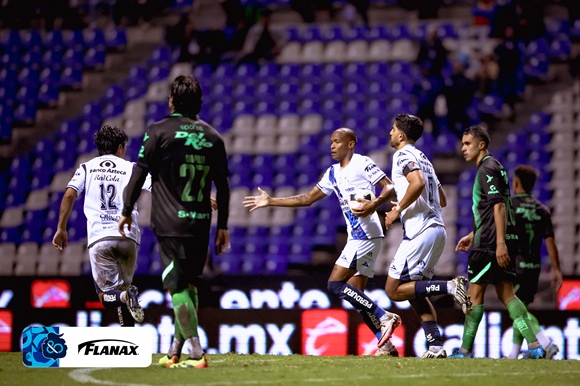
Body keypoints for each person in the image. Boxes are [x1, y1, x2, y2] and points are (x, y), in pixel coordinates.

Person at [243, 128, 402, 355]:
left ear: (351, 143)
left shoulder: (362, 163)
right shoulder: (332, 173)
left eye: (337, 141)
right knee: (357, 294)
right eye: (331, 142)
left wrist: (373, 204)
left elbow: (389, 187)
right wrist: (271, 201)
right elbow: (307, 199)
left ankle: (384, 316)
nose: (332, 146)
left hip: (365, 234)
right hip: (361, 235)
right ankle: (385, 344)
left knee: (334, 285)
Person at [118, 75, 231, 369]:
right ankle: (175, 352)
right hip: (201, 223)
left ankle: (196, 353)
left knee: (177, 288)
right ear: (200, 102)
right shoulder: (213, 136)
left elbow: (139, 173)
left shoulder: (157, 132)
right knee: (190, 286)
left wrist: (127, 209)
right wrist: (223, 226)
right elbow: (225, 187)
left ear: (171, 100)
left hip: (170, 225)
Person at [449, 125, 545, 359]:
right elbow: (493, 208)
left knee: (474, 296)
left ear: (481, 145)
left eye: (467, 144)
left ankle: (464, 351)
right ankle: (535, 346)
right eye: (462, 144)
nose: (463, 148)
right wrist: (473, 235)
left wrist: (498, 243)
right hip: (496, 239)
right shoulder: (497, 167)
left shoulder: (486, 169)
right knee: (507, 295)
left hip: (491, 243)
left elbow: (499, 206)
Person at [383, 114, 471, 359]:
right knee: (415, 293)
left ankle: (451, 286)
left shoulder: (403, 155)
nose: (389, 133)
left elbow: (418, 183)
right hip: (436, 229)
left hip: (420, 231)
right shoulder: (424, 159)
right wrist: (409, 199)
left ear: (401, 135)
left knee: (393, 290)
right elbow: (441, 199)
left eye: (392, 129)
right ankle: (435, 346)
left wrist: (399, 208)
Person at [52, 125, 150, 327]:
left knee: (107, 296)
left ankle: (125, 297)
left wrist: (61, 228)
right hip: (128, 236)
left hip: (100, 238)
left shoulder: (87, 168)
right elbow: (159, 186)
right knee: (122, 289)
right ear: (121, 147)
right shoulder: (132, 168)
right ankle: (129, 342)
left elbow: (69, 194)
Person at [508, 165, 562, 359]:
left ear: (516, 183)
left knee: (517, 310)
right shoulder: (543, 210)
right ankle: (514, 355)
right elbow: (551, 242)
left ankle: (546, 343)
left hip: (516, 266)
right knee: (521, 311)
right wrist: (557, 270)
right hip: (534, 267)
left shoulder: (511, 205)